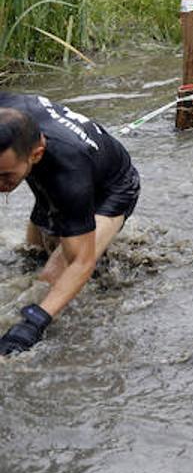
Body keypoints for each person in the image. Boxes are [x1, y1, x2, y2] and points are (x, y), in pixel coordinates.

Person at [0, 94, 140, 355]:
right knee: (31, 255)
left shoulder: (68, 173)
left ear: (36, 154)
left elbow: (81, 263)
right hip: (49, 169)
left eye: (4, 176)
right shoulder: (7, 110)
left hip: (110, 189)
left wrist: (33, 323)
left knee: (48, 281)